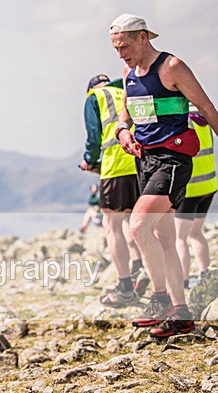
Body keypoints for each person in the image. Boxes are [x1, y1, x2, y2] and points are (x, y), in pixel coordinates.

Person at [109, 14, 218, 338]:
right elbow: (126, 112)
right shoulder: (128, 72)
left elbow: (207, 107)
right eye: (116, 49)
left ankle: (158, 299)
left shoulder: (172, 67)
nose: (121, 54)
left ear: (143, 38)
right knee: (165, 239)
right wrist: (122, 130)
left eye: (125, 46)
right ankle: (181, 313)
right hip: (144, 159)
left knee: (139, 225)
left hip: (173, 159)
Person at [81, 73, 149, 306]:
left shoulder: (94, 98)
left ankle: (125, 287)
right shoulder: (126, 90)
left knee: (113, 226)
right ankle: (141, 267)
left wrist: (89, 159)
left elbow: (94, 136)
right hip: (141, 161)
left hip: (115, 166)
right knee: (135, 220)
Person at [175, 105, 217, 289]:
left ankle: (183, 281)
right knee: (195, 233)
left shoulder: (182, 123)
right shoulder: (204, 122)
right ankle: (205, 273)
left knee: (180, 237)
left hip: (189, 189)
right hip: (208, 186)